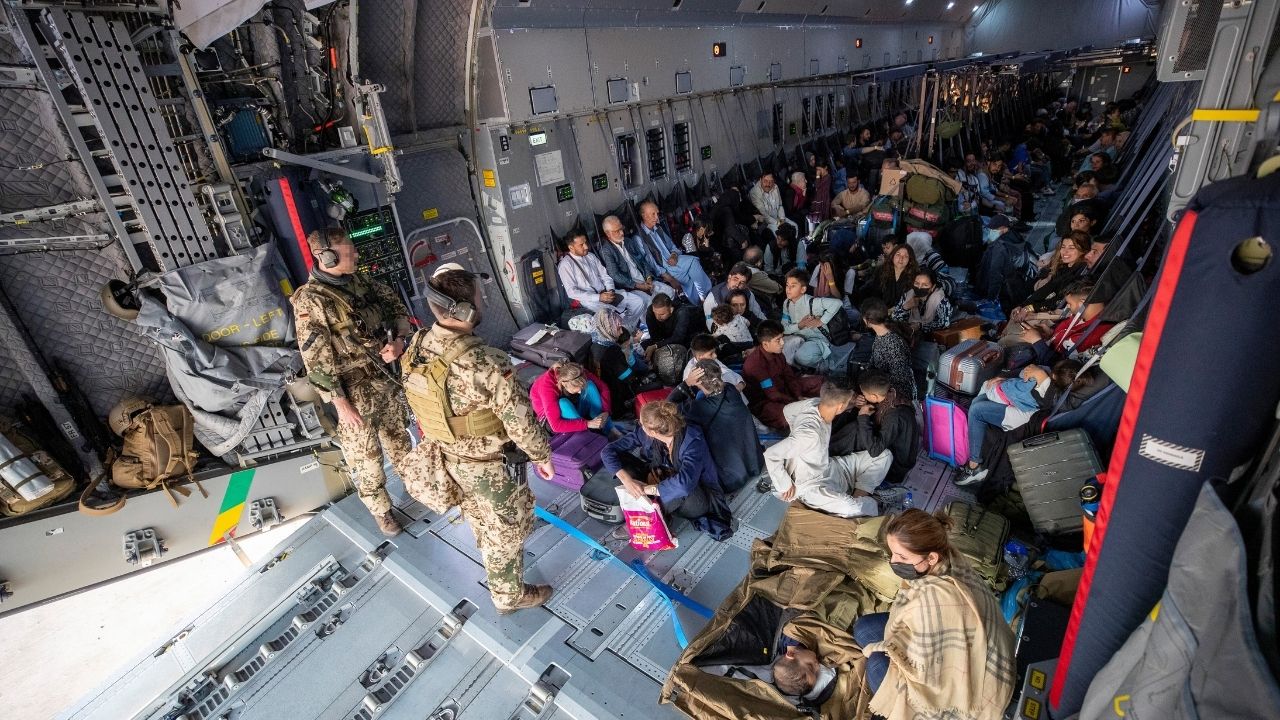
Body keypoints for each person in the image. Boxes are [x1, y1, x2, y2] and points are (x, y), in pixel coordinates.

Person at [401, 263, 555, 613]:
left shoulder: (418, 345)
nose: (483, 302)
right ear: (466, 310)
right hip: (490, 468)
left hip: (446, 458)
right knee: (506, 529)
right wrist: (542, 456)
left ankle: (490, 551)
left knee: (480, 517)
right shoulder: (487, 362)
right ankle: (508, 594)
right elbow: (520, 423)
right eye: (479, 298)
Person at [291, 227, 414, 536]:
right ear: (328, 257)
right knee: (367, 460)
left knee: (401, 442)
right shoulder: (311, 301)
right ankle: (382, 513)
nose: (357, 254)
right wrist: (340, 403)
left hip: (385, 380)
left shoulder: (361, 283)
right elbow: (316, 359)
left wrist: (398, 341)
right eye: (349, 251)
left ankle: (418, 487)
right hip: (352, 392)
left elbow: (397, 308)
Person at [853, 509, 1016, 719]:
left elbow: (928, 673)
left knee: (875, 662)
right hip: (966, 641)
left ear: (931, 558)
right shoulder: (948, 556)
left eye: (902, 556)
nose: (894, 561)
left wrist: (887, 649)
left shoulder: (934, 599)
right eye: (893, 552)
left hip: (979, 685)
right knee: (863, 628)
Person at [600, 400, 732, 537]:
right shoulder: (646, 433)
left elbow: (684, 484)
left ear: (652, 431)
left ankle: (651, 516)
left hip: (697, 496)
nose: (640, 426)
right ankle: (655, 510)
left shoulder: (693, 442)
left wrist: (646, 489)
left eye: (641, 424)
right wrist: (628, 481)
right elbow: (608, 451)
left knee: (680, 487)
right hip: (661, 476)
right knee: (621, 462)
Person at [764, 382, 887, 518]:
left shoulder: (814, 403)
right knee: (850, 507)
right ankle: (871, 502)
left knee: (884, 455)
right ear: (840, 406)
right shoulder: (808, 435)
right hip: (811, 486)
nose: (850, 404)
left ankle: (858, 493)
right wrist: (785, 485)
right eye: (849, 402)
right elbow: (770, 454)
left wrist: (795, 429)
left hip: (830, 466)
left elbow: (787, 410)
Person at [954, 362, 1060, 486]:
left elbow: (1049, 402)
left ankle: (974, 466)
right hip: (1030, 403)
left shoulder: (1062, 393)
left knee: (976, 411)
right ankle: (977, 451)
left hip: (1033, 417)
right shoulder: (1068, 380)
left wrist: (1042, 376)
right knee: (978, 400)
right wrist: (1006, 376)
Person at [668, 361, 764, 493]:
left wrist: (686, 383)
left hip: (730, 480)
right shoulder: (731, 389)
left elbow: (667, 407)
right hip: (755, 464)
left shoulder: (698, 408)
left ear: (697, 381)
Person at [831, 369, 919, 485]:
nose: (864, 396)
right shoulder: (892, 393)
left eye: (865, 395)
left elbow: (875, 450)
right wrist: (861, 406)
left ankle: (827, 452)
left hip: (895, 468)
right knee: (852, 419)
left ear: (874, 395)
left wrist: (863, 417)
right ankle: (829, 447)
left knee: (857, 429)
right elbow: (879, 413)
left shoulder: (895, 415)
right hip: (891, 444)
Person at [742, 320, 824, 431]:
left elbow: (790, 377)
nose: (782, 343)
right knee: (788, 417)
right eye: (778, 340)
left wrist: (798, 395)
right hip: (767, 402)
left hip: (785, 391)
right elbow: (773, 395)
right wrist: (798, 403)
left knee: (820, 382)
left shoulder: (778, 354)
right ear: (765, 343)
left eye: (782, 338)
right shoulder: (756, 365)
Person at [557, 232, 647, 329]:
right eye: (581, 245)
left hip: (606, 293)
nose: (586, 246)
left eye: (586, 242)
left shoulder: (591, 256)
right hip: (590, 301)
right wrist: (598, 297)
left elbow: (605, 275)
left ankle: (627, 328)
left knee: (638, 302)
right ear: (571, 248)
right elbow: (572, 292)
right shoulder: (565, 265)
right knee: (612, 317)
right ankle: (623, 331)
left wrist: (610, 289)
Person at [633, 201, 714, 302]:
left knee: (692, 266)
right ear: (643, 215)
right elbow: (650, 262)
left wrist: (674, 255)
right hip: (664, 267)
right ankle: (705, 297)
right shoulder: (639, 238)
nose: (657, 217)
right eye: (653, 214)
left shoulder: (659, 229)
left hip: (675, 260)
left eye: (657, 214)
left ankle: (702, 300)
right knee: (691, 269)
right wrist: (669, 278)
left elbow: (673, 247)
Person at [589, 309, 655, 416]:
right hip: (617, 399)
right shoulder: (612, 350)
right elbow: (628, 377)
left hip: (604, 395)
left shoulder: (594, 344)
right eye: (618, 328)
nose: (620, 332)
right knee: (657, 384)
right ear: (608, 327)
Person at [598, 215, 677, 301]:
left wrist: (648, 277)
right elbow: (615, 275)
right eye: (617, 231)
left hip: (645, 281)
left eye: (621, 228)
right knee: (650, 303)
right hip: (631, 287)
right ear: (608, 234)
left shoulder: (628, 242)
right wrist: (637, 286)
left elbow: (643, 260)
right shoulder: (606, 251)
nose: (622, 233)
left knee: (670, 292)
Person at [780, 269, 846, 371]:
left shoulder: (812, 302)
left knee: (801, 356)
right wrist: (799, 326)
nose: (788, 289)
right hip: (798, 338)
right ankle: (806, 368)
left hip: (816, 340)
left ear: (803, 289)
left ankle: (825, 365)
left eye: (793, 286)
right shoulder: (787, 303)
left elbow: (837, 303)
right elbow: (784, 328)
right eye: (787, 285)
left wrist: (821, 321)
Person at [529, 361, 613, 436]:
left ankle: (603, 424)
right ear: (564, 385)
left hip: (573, 404)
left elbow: (603, 387)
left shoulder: (576, 372)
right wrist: (587, 424)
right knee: (563, 403)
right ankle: (590, 435)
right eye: (577, 389)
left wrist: (606, 411)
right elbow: (555, 425)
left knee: (590, 386)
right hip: (553, 420)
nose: (581, 392)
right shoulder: (547, 387)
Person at [860, 298, 916, 401]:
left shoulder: (893, 343)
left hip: (895, 396)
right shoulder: (882, 334)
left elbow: (900, 378)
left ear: (867, 321)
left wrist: (870, 385)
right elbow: (873, 359)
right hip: (881, 388)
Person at [703, 262, 768, 329]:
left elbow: (758, 313)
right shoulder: (713, 297)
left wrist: (769, 327)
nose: (737, 284)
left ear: (746, 285)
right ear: (729, 277)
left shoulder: (748, 294)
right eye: (735, 279)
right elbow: (710, 323)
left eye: (742, 282)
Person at [890, 269, 954, 337]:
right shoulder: (908, 294)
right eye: (917, 283)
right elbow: (895, 318)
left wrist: (920, 326)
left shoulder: (940, 299)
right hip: (911, 336)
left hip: (932, 338)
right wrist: (905, 307)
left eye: (925, 285)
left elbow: (943, 323)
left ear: (933, 287)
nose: (919, 287)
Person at [641, 293, 697, 363]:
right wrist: (656, 349)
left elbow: (678, 337)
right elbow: (654, 335)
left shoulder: (682, 312)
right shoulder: (651, 311)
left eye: (662, 314)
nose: (658, 317)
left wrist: (656, 346)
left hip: (685, 339)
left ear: (671, 309)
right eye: (655, 313)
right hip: (665, 339)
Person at [903, 231, 956, 299]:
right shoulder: (908, 257)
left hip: (931, 293)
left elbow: (947, 280)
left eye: (910, 244)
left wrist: (930, 282)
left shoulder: (933, 257)